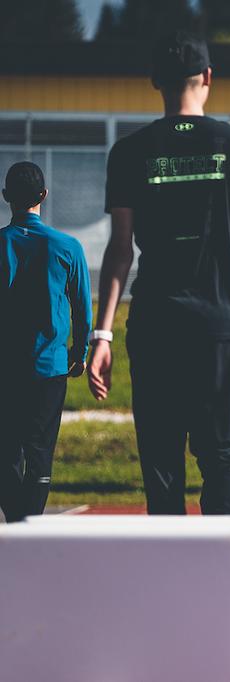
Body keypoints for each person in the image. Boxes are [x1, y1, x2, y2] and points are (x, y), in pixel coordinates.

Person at [88, 32, 230, 522]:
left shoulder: (129, 153)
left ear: (155, 83)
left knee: (161, 460)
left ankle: (170, 590)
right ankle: (219, 581)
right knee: (224, 455)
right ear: (208, 78)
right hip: (220, 322)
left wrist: (102, 332)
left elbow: (119, 249)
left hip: (156, 323)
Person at [0, 162, 91, 522]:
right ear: (44, 195)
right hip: (48, 367)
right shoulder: (67, 247)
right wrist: (80, 353)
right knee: (39, 453)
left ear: (6, 197)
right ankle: (29, 527)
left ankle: (17, 521)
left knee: (5, 454)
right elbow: (83, 310)